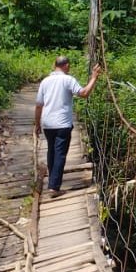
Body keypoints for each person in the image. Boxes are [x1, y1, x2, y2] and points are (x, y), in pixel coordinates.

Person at [34, 56, 102, 197]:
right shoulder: (68, 80)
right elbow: (84, 93)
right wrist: (94, 78)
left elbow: (39, 105)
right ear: (66, 66)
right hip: (62, 124)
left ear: (55, 65)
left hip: (47, 124)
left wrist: (37, 124)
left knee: (51, 152)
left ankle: (52, 183)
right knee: (60, 154)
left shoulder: (45, 82)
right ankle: (54, 187)